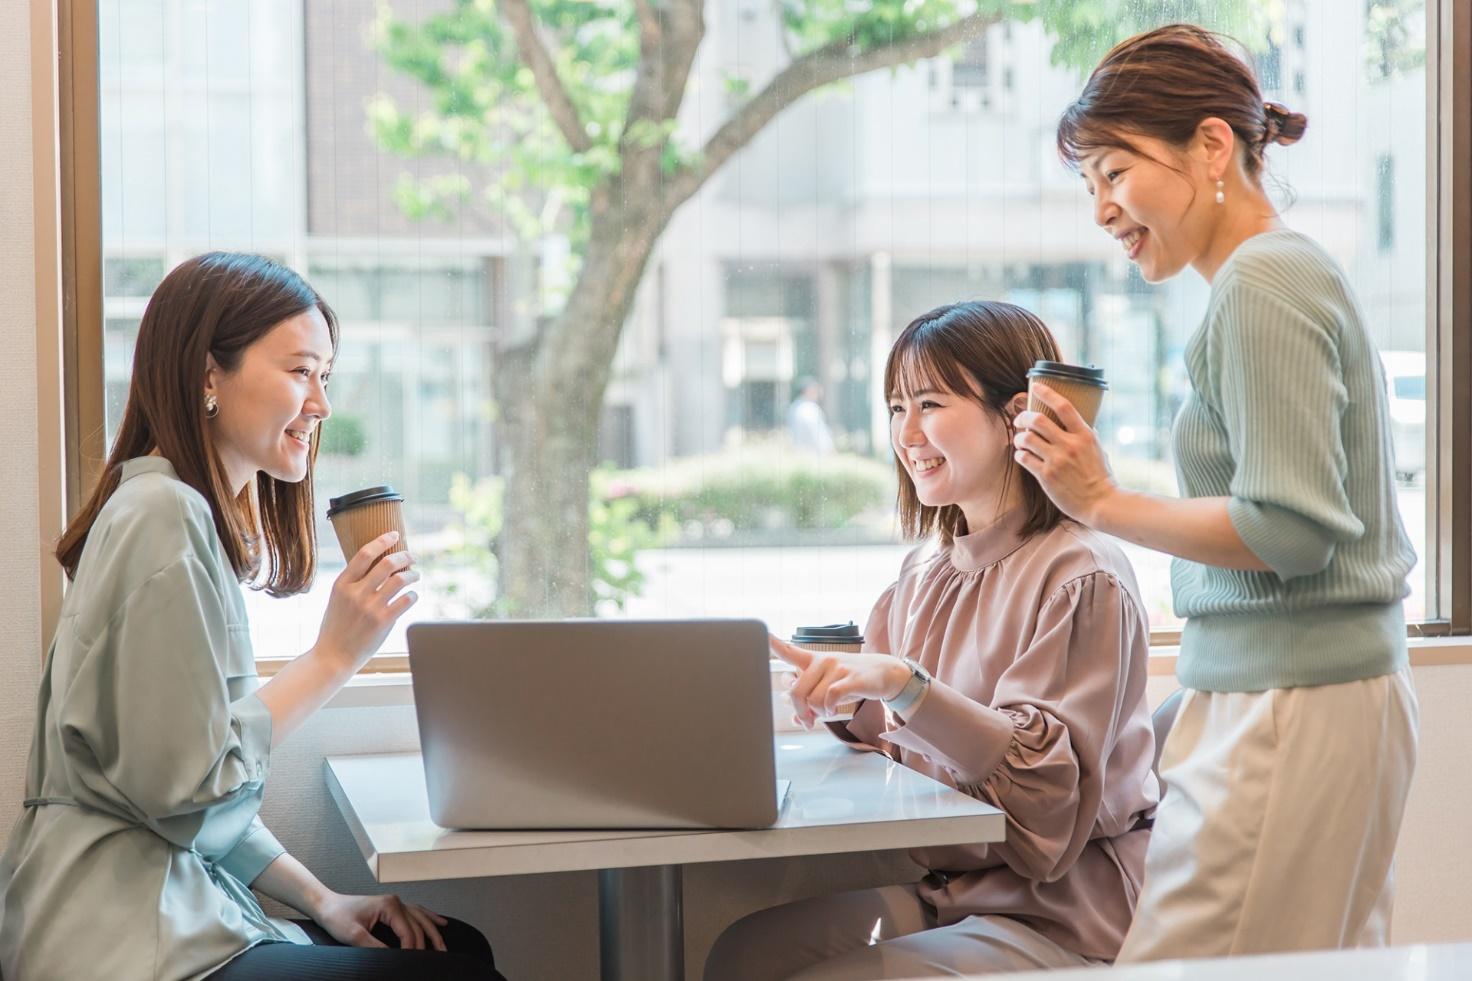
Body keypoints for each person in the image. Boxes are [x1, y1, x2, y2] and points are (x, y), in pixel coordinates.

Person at [1014, 24, 1419, 961]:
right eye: (1091, 186)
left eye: (1115, 172)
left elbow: (1292, 527)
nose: (1104, 209)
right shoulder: (1271, 276)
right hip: (1299, 691)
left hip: (1291, 700)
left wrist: (1100, 500)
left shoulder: (1262, 282)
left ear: (1210, 145)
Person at [0, 253, 506, 981]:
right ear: (210, 374)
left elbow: (181, 790)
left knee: (452, 945)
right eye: (301, 371)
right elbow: (187, 795)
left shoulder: (178, 514)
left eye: (324, 376)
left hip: (170, 911)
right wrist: (333, 657)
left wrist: (324, 899)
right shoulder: (162, 517)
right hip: (121, 940)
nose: (322, 404)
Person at [705, 301, 1157, 979]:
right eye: (895, 408)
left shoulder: (1081, 575)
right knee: (738, 954)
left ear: (1017, 416)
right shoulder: (927, 568)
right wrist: (846, 700)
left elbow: (1043, 804)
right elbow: (909, 728)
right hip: (955, 892)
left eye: (930, 403)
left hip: (1064, 913)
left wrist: (903, 685)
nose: (906, 432)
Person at [787, 376, 836, 455]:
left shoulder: (796, 406)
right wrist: (829, 450)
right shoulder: (808, 409)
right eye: (816, 390)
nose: (819, 394)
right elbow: (818, 435)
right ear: (808, 391)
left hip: (800, 452)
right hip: (812, 454)